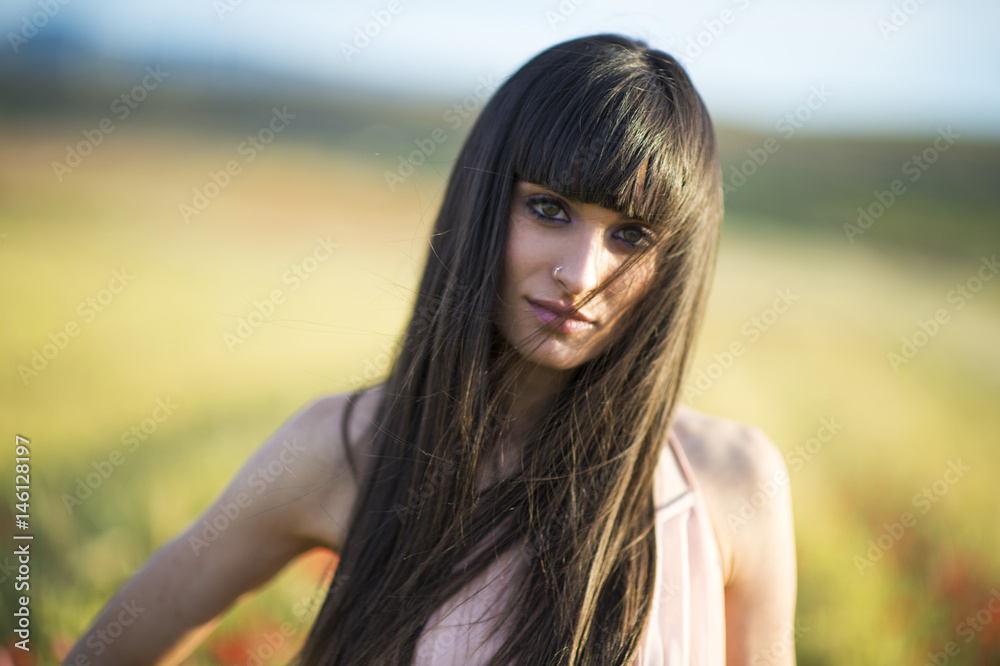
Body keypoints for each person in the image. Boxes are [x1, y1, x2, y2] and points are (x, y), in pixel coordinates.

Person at [64, 33, 797, 665]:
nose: (580, 275)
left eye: (631, 235)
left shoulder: (731, 485)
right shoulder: (344, 449)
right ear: (483, 202)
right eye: (549, 208)